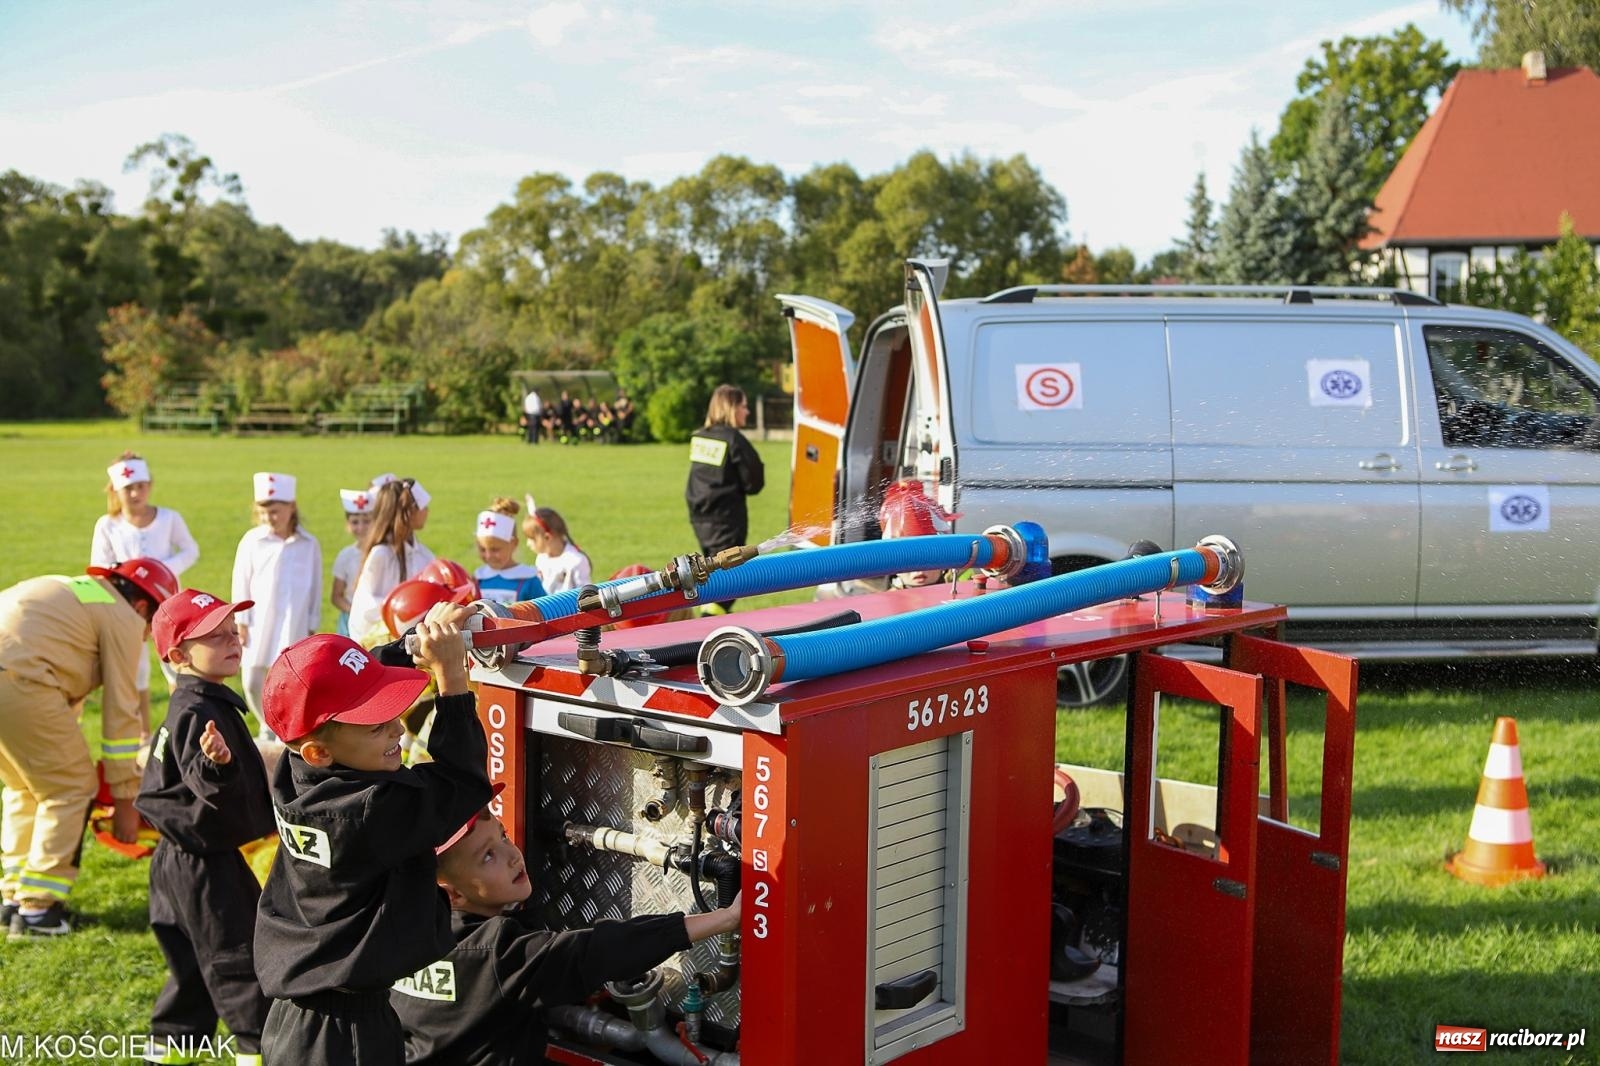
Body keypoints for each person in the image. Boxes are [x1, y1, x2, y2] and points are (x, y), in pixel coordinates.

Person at [253, 611, 492, 1065]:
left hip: (303, 1017)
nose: (397, 729)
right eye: (376, 724)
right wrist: (453, 680)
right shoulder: (369, 813)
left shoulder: (299, 770)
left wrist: (410, 644)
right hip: (346, 1038)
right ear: (320, 752)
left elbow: (348, 681)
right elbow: (463, 782)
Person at [391, 794, 740, 1065]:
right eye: (487, 856)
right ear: (452, 893)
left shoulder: (395, 936)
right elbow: (600, 950)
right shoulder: (495, 953)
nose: (512, 855)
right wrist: (724, 918)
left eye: (503, 836)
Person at [0, 557, 177, 936]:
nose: (146, 635)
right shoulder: (124, 617)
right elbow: (121, 713)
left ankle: (13, 895)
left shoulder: (77, 590)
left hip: (15, 674)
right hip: (20, 681)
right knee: (69, 787)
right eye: (153, 626)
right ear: (144, 607)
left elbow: (65, 681)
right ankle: (38, 912)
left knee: (25, 786)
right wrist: (127, 800)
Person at [137, 589, 273, 1064]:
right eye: (214, 637)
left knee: (194, 969)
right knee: (237, 963)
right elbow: (203, 782)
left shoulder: (197, 701)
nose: (231, 641)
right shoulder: (198, 712)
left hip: (178, 862)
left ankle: (168, 1046)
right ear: (177, 655)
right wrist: (217, 766)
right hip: (203, 867)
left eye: (232, 632)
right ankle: (257, 1049)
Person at [90, 452, 200, 735]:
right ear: (115, 490)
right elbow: (99, 566)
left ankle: (178, 728)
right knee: (134, 667)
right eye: (128, 488)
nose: (135, 493)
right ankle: (143, 733)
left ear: (149, 485)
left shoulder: (169, 518)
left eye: (140, 485)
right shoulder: (107, 525)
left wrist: (161, 570)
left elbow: (190, 550)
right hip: (127, 609)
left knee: (173, 663)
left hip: (167, 605)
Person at [233, 473, 323, 736]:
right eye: (263, 512)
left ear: (291, 507)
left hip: (293, 619)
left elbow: (316, 584)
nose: (269, 518)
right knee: (251, 678)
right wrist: (241, 620)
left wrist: (311, 623)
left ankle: (283, 727)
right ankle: (266, 724)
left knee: (285, 678)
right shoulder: (252, 541)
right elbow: (241, 580)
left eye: (275, 511)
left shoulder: (308, 544)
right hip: (258, 618)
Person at [685, 384, 765, 614]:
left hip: (700, 517)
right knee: (729, 576)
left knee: (714, 571)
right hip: (726, 519)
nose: (747, 412)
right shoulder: (733, 440)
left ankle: (711, 617)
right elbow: (754, 483)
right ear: (731, 408)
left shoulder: (701, 436)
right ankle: (707, 621)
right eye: (744, 406)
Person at [347, 477, 435, 644]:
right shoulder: (381, 554)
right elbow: (367, 606)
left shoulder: (423, 554)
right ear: (410, 511)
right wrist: (405, 611)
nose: (427, 511)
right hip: (383, 644)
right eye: (424, 507)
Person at [473, 498, 546, 606]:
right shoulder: (478, 579)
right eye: (482, 549)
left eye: (495, 549)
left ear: (513, 543)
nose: (488, 556)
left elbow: (546, 612)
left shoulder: (528, 579)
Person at [331, 488, 376, 637]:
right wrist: (354, 611)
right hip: (350, 620)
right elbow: (336, 596)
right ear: (348, 524)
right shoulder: (345, 556)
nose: (361, 527)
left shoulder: (382, 553)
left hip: (377, 620)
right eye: (355, 522)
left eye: (366, 521)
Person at [521, 501, 592, 594]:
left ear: (547, 537)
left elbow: (587, 596)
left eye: (532, 539)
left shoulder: (576, 561)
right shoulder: (542, 558)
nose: (528, 544)